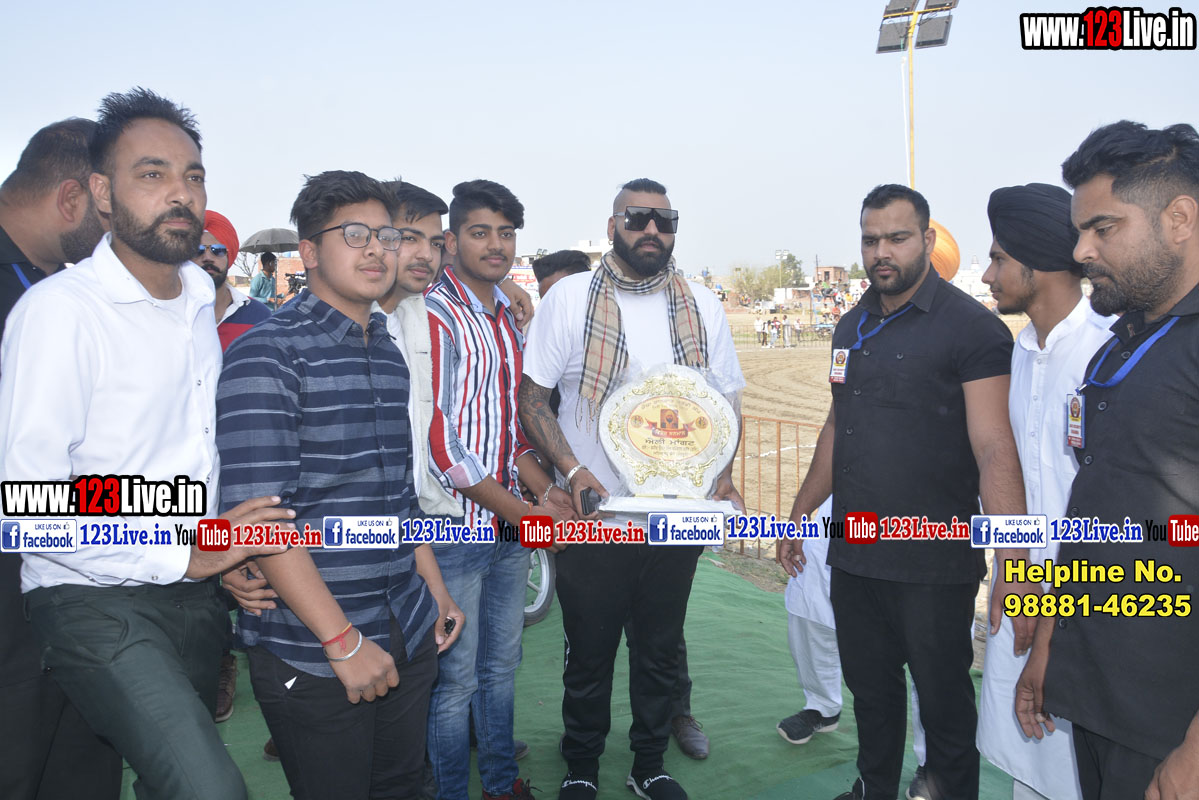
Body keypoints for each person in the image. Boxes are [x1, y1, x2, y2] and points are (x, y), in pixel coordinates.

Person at [0, 87, 291, 800]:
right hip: (87, 596)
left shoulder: (197, 299)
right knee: (208, 788)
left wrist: (217, 553)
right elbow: (29, 503)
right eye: (151, 174)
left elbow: (185, 461)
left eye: (193, 176)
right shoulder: (59, 313)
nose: (180, 194)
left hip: (193, 600)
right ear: (101, 193)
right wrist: (184, 551)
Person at [216, 170, 464, 799]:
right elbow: (262, 523)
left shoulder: (386, 350)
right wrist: (342, 642)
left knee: (404, 788)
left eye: (387, 235)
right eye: (355, 234)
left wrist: (436, 593)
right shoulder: (268, 353)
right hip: (314, 645)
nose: (377, 249)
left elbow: (398, 498)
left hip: (406, 623)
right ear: (308, 251)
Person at [781, 183, 1026, 800]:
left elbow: (994, 447)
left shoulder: (973, 329)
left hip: (934, 563)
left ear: (927, 239)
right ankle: (874, 787)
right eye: (870, 240)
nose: (881, 252)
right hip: (855, 554)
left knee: (943, 701)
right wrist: (800, 512)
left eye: (896, 238)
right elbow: (836, 425)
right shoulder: (851, 325)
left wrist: (1016, 563)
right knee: (871, 691)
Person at [519, 178, 745, 800]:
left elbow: (724, 402)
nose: (651, 230)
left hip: (677, 520)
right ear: (613, 225)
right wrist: (572, 471)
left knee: (660, 651)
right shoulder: (570, 299)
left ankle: (649, 764)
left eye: (664, 221)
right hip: (596, 518)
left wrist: (724, 477)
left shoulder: (703, 304)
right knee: (589, 653)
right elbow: (532, 399)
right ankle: (582, 766)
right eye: (638, 218)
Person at [1016, 121, 1199, 800]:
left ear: (1178, 219)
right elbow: (1092, 515)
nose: (1080, 250)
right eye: (1079, 230)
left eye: (1102, 228)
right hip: (1097, 696)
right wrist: (1049, 643)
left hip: (1171, 724)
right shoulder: (1123, 342)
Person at [425, 179, 569, 800]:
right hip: (453, 530)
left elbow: (507, 429)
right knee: (455, 679)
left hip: (509, 529)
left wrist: (545, 492)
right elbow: (441, 443)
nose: (495, 245)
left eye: (506, 234)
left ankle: (502, 783)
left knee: (501, 667)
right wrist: (527, 514)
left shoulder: (506, 318)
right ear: (451, 240)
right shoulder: (435, 315)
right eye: (480, 232)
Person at [977, 182, 1112, 800]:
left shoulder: (1106, 351)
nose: (987, 275)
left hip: (1090, 603)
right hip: (1022, 590)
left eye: (999, 258)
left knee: (1083, 770)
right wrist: (1012, 568)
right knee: (1027, 772)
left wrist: (1053, 606)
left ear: (1038, 263)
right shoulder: (1022, 351)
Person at [0, 116, 119, 800]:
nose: (112, 240)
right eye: (106, 217)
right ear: (73, 198)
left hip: (65, 590)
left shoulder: (59, 289)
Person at [198, 210, 271, 352]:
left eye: (217, 250)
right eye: (197, 250)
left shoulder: (259, 316)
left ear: (228, 255)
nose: (207, 258)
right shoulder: (169, 314)